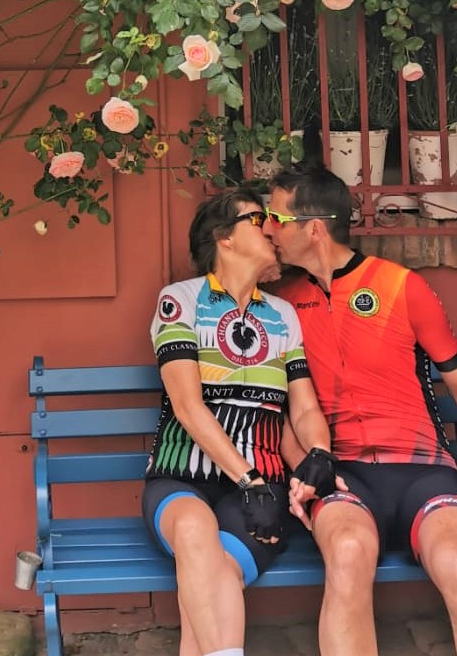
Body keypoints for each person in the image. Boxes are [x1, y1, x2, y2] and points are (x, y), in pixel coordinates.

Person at [264, 164, 457, 656]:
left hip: (423, 471)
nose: (267, 230)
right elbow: (275, 406)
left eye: (275, 219)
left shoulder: (401, 286)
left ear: (314, 228)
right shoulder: (280, 304)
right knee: (347, 556)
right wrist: (305, 464)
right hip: (341, 475)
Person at [142, 186, 338, 656]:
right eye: (257, 219)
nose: (270, 228)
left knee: (212, 577)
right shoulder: (180, 301)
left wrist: (319, 456)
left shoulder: (283, 316)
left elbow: (303, 408)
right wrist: (249, 480)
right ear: (223, 237)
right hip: (182, 476)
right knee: (194, 534)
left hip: (264, 490)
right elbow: (188, 407)